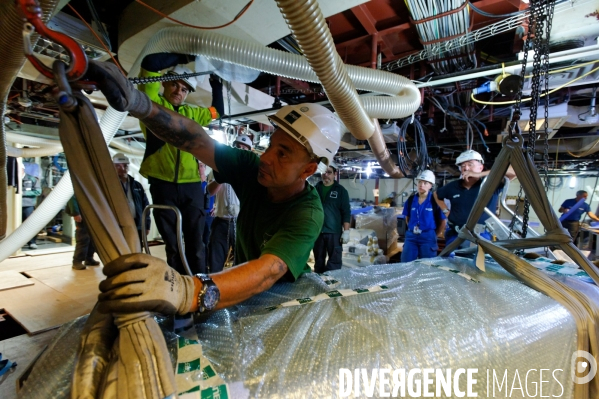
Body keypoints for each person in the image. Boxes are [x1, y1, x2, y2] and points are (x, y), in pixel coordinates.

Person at [85, 59, 341, 316]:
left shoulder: (307, 213)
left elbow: (268, 272)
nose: (266, 157)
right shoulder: (253, 170)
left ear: (308, 169)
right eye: (271, 145)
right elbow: (195, 140)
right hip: (244, 296)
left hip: (285, 304)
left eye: (283, 154)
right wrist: (139, 104)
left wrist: (187, 292)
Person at [138, 52, 224, 275]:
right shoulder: (152, 105)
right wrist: (184, 56)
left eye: (184, 89)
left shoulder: (193, 113)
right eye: (175, 85)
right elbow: (150, 64)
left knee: (197, 244)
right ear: (164, 83)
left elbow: (217, 112)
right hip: (162, 184)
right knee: (173, 246)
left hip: (192, 186)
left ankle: (199, 286)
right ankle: (179, 290)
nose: (179, 91)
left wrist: (217, 84)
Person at [434, 150, 516, 248]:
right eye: (462, 166)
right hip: (455, 234)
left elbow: (514, 171)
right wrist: (445, 210)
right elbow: (436, 194)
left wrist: (480, 175)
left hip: (481, 235)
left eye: (470, 164)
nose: (466, 168)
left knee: (477, 262)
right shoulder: (453, 186)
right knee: (451, 261)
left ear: (480, 167)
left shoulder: (491, 184)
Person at [207, 134, 253, 273]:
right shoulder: (218, 168)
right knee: (215, 261)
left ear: (249, 151)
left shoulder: (252, 173)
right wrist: (221, 178)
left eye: (244, 148)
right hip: (221, 221)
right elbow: (209, 192)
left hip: (241, 222)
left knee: (243, 262)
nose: (240, 150)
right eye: (238, 147)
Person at [313, 163, 351, 273]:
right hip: (318, 231)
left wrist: (346, 231)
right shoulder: (315, 189)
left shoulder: (341, 191)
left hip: (334, 232)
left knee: (334, 261)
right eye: (324, 172)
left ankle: (332, 283)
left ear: (335, 174)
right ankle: (318, 284)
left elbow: (346, 212)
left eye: (329, 172)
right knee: (318, 260)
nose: (326, 175)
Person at [401, 170, 446, 262]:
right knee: (405, 264)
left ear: (431, 185)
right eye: (419, 182)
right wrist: (412, 228)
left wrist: (434, 234)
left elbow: (443, 221)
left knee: (427, 265)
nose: (421, 185)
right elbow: (407, 218)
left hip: (428, 237)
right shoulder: (410, 200)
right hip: (411, 236)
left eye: (425, 183)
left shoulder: (436, 201)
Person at [112, 153, 151, 243]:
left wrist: (146, 225)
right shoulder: (110, 185)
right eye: (118, 166)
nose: (122, 169)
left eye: (125, 165)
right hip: (118, 225)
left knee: (137, 248)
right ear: (112, 167)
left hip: (136, 224)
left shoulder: (137, 185)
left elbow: (146, 206)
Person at [66, 196, 100, 270]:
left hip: (92, 214)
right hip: (82, 214)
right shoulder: (81, 186)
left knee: (92, 238)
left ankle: (89, 258)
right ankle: (77, 261)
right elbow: (72, 198)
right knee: (83, 237)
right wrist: (75, 213)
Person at [22, 162, 42, 249]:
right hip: (14, 207)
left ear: (23, 170)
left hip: (28, 205)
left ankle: (32, 242)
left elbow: (38, 191)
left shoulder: (32, 179)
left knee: (30, 224)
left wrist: (24, 193)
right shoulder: (13, 179)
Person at [199, 161, 215, 267]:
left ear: (205, 167)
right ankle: (200, 264)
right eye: (198, 166)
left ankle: (207, 265)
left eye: (201, 166)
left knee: (208, 240)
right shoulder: (194, 185)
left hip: (209, 216)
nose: (200, 168)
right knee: (199, 242)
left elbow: (217, 195)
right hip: (198, 215)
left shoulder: (209, 183)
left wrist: (216, 205)